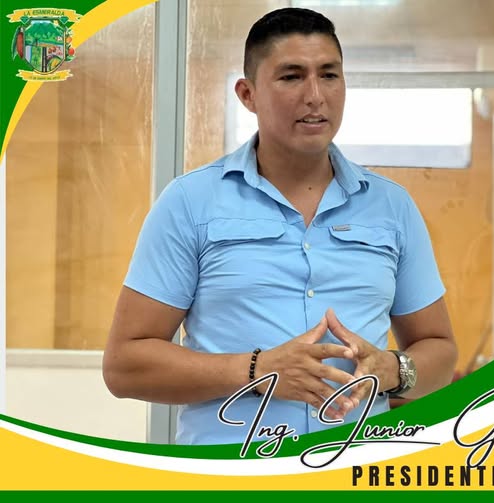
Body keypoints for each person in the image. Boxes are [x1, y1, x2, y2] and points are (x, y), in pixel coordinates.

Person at [102, 7, 457, 446]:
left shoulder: (392, 207)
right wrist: (257, 370)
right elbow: (125, 366)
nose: (315, 95)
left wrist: (395, 370)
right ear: (247, 94)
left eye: (329, 75)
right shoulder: (190, 203)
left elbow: (440, 352)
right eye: (292, 76)